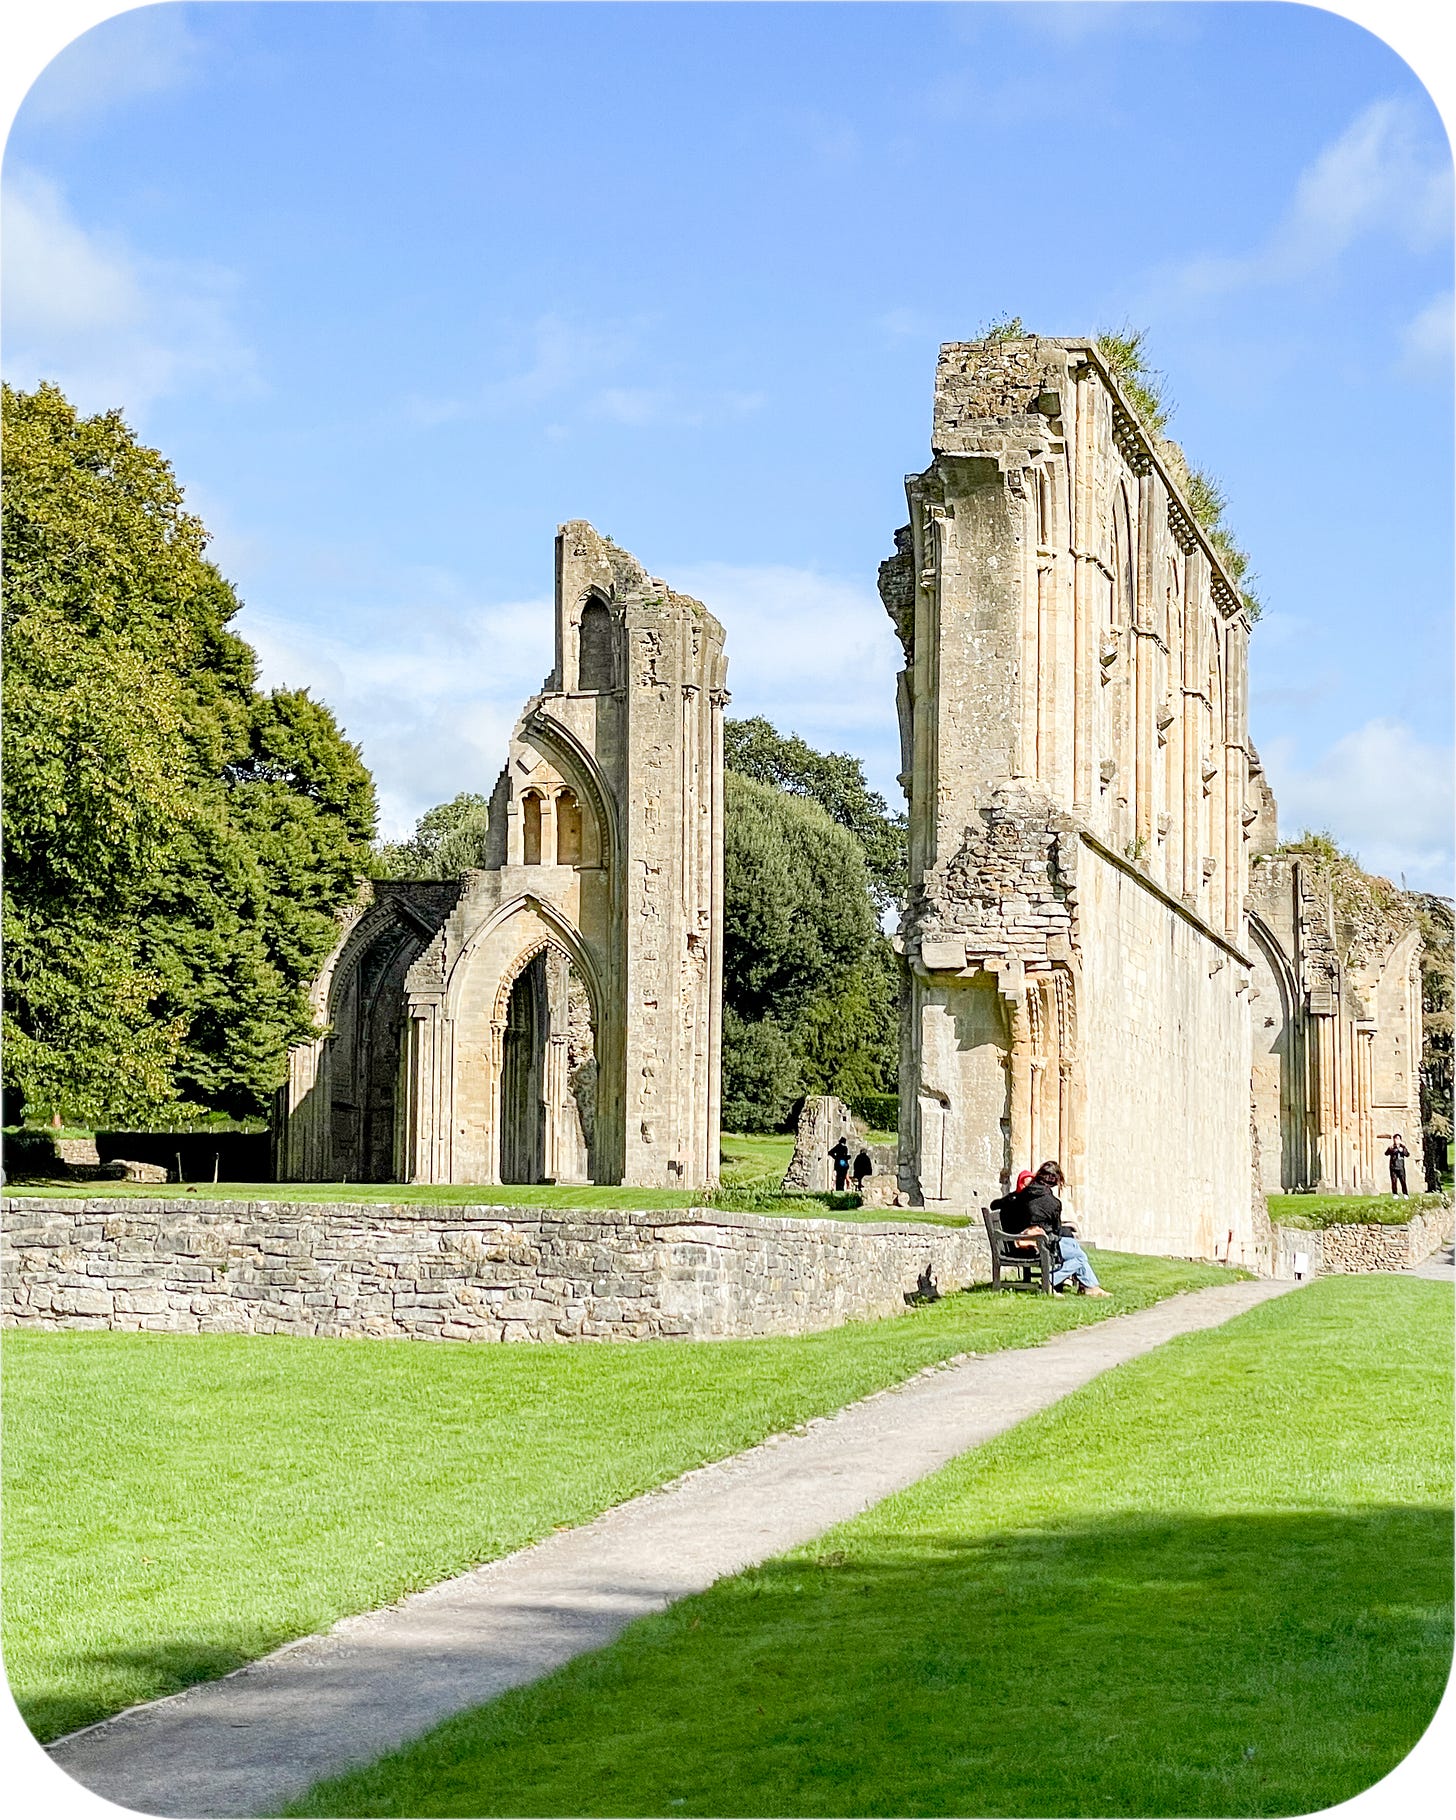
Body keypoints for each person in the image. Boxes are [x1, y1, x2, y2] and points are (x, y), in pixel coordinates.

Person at [991, 1160, 1109, 1296]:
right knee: (1080, 1257)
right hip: (1038, 1246)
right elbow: (1056, 1230)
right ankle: (1051, 1280)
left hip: (1020, 1242)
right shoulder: (1053, 1203)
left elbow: (996, 1205)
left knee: (1074, 1247)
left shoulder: (1020, 1196)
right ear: (1054, 1182)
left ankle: (1090, 1286)